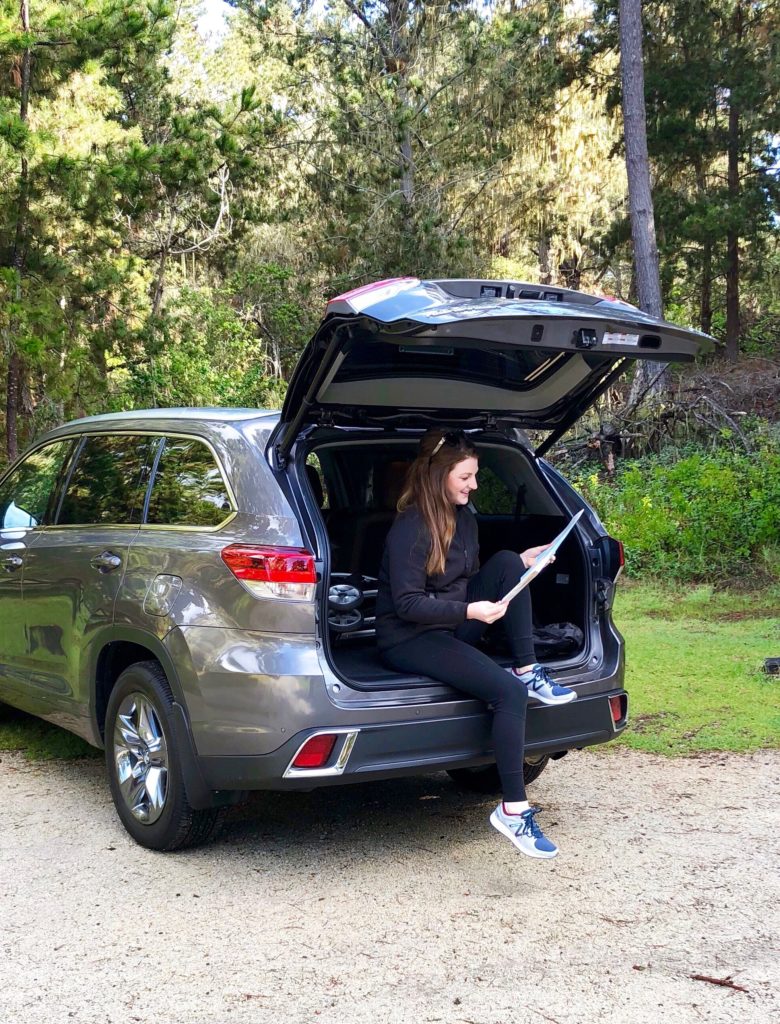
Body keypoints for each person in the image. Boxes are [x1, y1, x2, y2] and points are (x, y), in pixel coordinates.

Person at [375, 429, 577, 859]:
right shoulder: (410, 527)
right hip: (409, 637)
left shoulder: (464, 517)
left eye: (475, 476)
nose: (474, 485)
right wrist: (470, 612)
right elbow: (408, 604)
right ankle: (513, 810)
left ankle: (527, 666)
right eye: (465, 477)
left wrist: (524, 564)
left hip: (450, 624)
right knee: (507, 693)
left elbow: (467, 579)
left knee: (508, 562)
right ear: (440, 474)